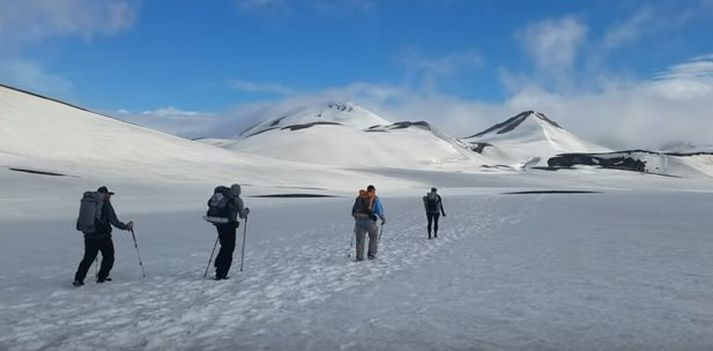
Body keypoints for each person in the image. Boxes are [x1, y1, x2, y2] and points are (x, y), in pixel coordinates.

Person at [73, 186, 133, 286]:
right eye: (109, 195)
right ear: (104, 194)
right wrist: (125, 227)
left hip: (89, 235)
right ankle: (102, 277)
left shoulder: (89, 201)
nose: (109, 197)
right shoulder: (104, 203)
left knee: (88, 258)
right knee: (109, 256)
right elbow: (113, 219)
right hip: (103, 236)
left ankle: (78, 279)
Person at [213, 183, 249, 280]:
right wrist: (246, 211)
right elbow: (242, 215)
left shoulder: (222, 196)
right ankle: (222, 273)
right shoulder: (237, 200)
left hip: (219, 224)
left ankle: (218, 265)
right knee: (229, 248)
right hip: (229, 226)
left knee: (224, 245)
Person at [351, 184, 385, 261]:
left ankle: (359, 257)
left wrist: (358, 218)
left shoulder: (359, 198)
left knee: (360, 240)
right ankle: (371, 255)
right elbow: (379, 210)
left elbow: (353, 211)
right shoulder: (375, 199)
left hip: (359, 222)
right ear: (373, 191)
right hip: (370, 221)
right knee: (373, 237)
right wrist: (383, 219)